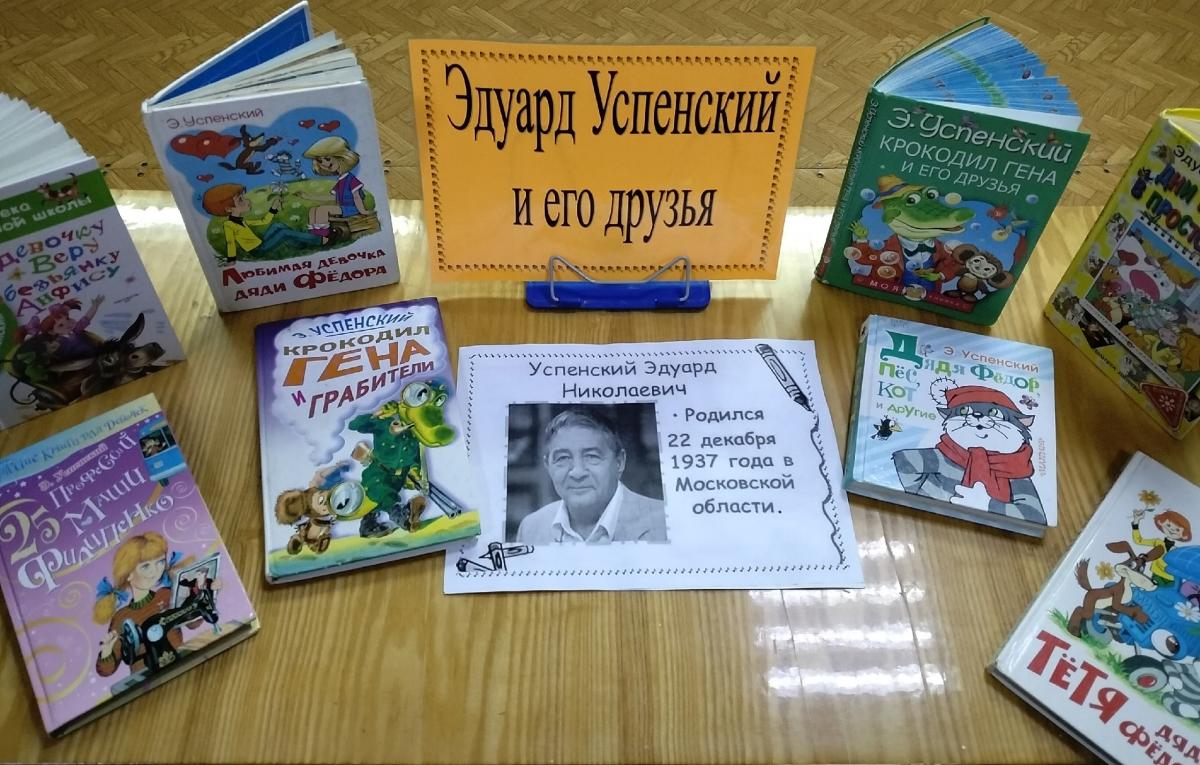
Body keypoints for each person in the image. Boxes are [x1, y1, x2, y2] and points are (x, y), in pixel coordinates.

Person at [517, 410, 667, 544]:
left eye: (592, 456)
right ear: (548, 465)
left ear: (619, 462)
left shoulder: (664, 522)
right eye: (563, 458)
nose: (577, 473)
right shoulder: (530, 528)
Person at [201, 183, 328, 264]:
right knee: (284, 233)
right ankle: (319, 240)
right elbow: (230, 243)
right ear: (229, 209)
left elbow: (264, 221)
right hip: (258, 250)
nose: (247, 201)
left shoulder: (242, 221)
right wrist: (231, 259)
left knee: (278, 226)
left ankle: (300, 245)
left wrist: (273, 208)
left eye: (244, 197)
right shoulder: (229, 225)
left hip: (261, 243)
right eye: (241, 200)